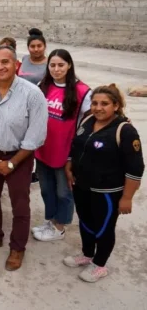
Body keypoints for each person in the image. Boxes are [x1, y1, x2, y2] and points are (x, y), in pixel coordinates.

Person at [0, 45, 48, 271]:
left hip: (20, 157)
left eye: (5, 62)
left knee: (20, 205)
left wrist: (13, 162)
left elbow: (36, 135)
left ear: (16, 65)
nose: (0, 67)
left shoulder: (33, 94)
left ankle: (17, 247)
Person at [64, 84, 143, 282]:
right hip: (82, 186)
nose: (98, 108)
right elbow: (77, 145)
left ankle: (100, 265)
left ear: (116, 106)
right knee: (85, 222)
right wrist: (69, 165)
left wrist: (127, 198)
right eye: (95, 103)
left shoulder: (125, 131)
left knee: (104, 228)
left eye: (105, 104)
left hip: (107, 192)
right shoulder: (88, 119)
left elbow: (135, 169)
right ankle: (87, 254)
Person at [33, 49, 91, 242]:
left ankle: (60, 227)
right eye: (52, 65)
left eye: (61, 65)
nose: (56, 69)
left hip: (66, 153)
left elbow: (93, 121)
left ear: (69, 66)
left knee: (63, 192)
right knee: (46, 189)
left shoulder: (82, 91)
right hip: (43, 149)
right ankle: (50, 220)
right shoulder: (43, 86)